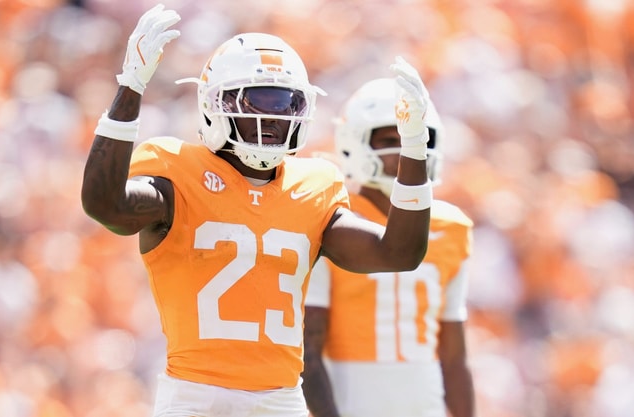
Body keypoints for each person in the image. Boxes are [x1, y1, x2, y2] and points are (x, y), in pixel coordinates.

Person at [81, 4, 435, 416]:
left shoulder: (313, 185)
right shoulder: (178, 172)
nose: (271, 117)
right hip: (195, 397)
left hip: (280, 400)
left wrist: (414, 148)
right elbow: (105, 205)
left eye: (286, 104)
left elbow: (398, 253)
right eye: (257, 101)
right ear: (215, 103)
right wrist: (130, 88)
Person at [301, 77, 476, 417]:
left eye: (414, 138)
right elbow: (309, 352)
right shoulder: (332, 218)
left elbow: (454, 356)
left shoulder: (452, 226)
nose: (403, 151)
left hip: (425, 402)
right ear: (355, 142)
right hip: (349, 401)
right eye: (388, 140)